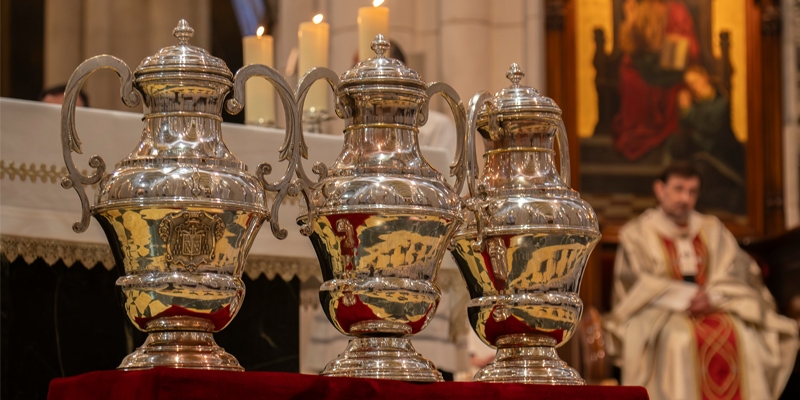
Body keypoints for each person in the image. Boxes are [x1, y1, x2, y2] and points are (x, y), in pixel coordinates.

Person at [606, 162, 798, 400]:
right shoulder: (638, 234)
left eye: (692, 191)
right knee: (679, 339)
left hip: (716, 305)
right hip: (662, 313)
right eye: (678, 189)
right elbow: (636, 285)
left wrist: (712, 297)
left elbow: (735, 272)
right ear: (660, 189)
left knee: (745, 334)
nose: (685, 198)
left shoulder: (712, 229)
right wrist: (685, 298)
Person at [613, 0, 699, 160]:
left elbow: (692, 47)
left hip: (667, 66)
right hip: (642, 62)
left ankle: (668, 138)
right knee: (631, 80)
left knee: (676, 83)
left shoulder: (677, 10)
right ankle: (636, 133)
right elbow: (628, 43)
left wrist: (676, 42)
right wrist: (631, 20)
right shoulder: (640, 7)